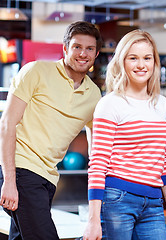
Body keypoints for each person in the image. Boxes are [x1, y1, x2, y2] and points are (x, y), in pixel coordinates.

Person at [83, 29, 166, 240]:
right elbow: (98, 163)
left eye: (147, 58)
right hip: (117, 199)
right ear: (122, 62)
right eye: (133, 58)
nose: (141, 65)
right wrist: (93, 220)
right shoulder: (110, 104)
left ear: (154, 63)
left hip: (153, 202)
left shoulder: (162, 105)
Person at [0, 21, 102, 240]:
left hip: (48, 178)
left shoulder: (94, 95)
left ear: (96, 53)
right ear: (65, 48)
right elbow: (6, 124)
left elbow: (97, 151)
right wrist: (9, 180)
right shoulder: (36, 71)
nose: (83, 53)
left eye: (89, 49)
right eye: (77, 47)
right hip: (21, 169)